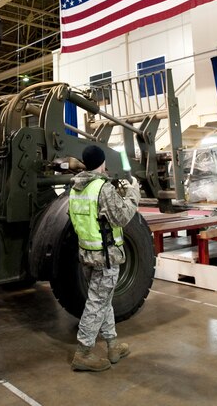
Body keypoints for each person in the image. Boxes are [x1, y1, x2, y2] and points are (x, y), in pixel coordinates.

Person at [69, 145, 140, 372]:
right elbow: (121, 217)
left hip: (87, 254)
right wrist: (133, 193)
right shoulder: (102, 188)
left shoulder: (76, 188)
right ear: (101, 163)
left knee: (104, 299)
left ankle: (112, 345)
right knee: (97, 303)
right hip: (106, 256)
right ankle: (83, 353)